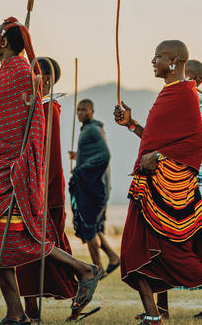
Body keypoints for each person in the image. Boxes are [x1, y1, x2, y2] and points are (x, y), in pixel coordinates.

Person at [0, 17, 101, 325]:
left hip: (11, 175)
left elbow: (24, 129)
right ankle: (15, 313)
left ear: (4, 42)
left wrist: (17, 165)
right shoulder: (6, 73)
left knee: (16, 242)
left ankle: (83, 269)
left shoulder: (21, 74)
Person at [113, 40, 202, 325]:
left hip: (166, 186)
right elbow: (156, 140)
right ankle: (152, 314)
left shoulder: (186, 95)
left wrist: (159, 156)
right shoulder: (168, 93)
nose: (152, 61)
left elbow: (195, 143)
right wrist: (132, 125)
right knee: (133, 250)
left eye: (157, 56)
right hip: (147, 184)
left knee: (172, 252)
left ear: (173, 62)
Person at [152, 59, 202, 320]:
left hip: (192, 186)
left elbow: (189, 146)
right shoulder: (175, 101)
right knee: (162, 240)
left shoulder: (195, 105)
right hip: (170, 180)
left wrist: (160, 157)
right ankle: (161, 307)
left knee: (199, 245)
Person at [15, 57, 78, 319]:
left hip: (43, 187)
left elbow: (46, 155)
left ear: (48, 80)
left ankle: (81, 284)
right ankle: (30, 309)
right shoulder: (31, 108)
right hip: (26, 185)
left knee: (49, 244)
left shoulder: (49, 109)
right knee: (22, 249)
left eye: (35, 74)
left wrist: (37, 188)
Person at [68, 99, 119, 275]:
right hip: (92, 186)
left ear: (92, 111)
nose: (81, 113)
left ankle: (98, 270)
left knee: (89, 228)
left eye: (85, 110)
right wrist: (79, 156)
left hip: (94, 187)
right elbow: (93, 155)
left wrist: (81, 169)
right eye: (78, 110)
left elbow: (104, 155)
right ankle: (113, 257)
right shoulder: (88, 129)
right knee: (93, 227)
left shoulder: (93, 130)